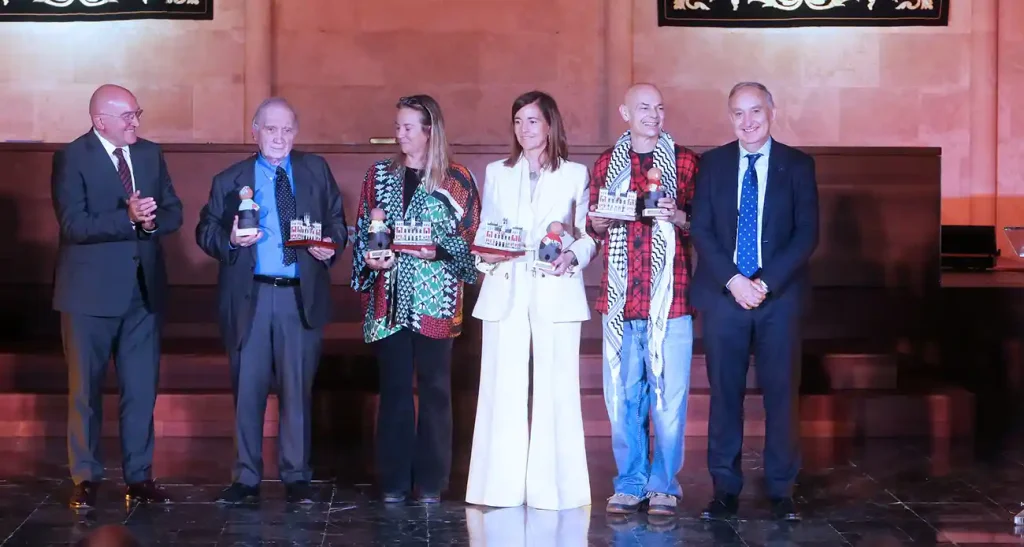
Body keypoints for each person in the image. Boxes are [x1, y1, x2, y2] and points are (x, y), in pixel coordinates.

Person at [195, 97, 348, 504]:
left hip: (300, 296)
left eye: (287, 130)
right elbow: (204, 230)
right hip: (252, 297)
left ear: (295, 133)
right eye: (270, 129)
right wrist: (228, 238)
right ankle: (246, 476)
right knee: (248, 389)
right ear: (254, 130)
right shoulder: (230, 179)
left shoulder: (316, 171)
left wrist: (330, 246)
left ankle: (296, 475)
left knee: (298, 389)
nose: (279, 138)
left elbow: (337, 221)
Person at [690, 82, 819, 522]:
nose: (747, 122)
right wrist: (734, 280)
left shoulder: (798, 165)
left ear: (772, 112)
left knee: (781, 395)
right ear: (730, 117)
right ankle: (724, 488)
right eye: (738, 113)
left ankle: (782, 490)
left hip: (777, 299)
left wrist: (763, 283)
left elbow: (807, 234)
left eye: (755, 112)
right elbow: (701, 229)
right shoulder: (713, 163)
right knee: (725, 395)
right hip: (725, 297)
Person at [51, 84, 182, 509]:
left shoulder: (150, 154)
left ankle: (139, 477)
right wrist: (126, 219)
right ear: (99, 120)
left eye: (137, 113)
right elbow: (74, 225)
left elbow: (174, 210)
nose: (136, 123)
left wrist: (151, 220)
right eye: (128, 116)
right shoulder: (72, 158)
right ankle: (85, 478)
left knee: (141, 389)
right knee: (85, 392)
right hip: (88, 297)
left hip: (143, 295)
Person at [465, 91, 595, 511]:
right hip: (506, 287)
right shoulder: (497, 172)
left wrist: (574, 255)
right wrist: (484, 253)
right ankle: (497, 488)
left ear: (550, 124)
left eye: (533, 121)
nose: (524, 129)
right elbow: (486, 231)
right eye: (518, 121)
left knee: (557, 388)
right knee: (501, 387)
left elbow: (587, 233)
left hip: (555, 288)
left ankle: (557, 491)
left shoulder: (576, 174)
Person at [351, 94, 481, 504]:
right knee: (393, 390)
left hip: (435, 300)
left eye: (408, 126)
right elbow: (361, 230)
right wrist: (370, 258)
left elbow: (472, 243)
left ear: (430, 131)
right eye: (398, 126)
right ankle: (392, 480)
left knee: (436, 390)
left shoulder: (457, 180)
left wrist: (438, 251)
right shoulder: (378, 176)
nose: (399, 133)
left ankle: (431, 483)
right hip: (387, 300)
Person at [586, 83, 698, 518]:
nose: (653, 114)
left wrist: (678, 215)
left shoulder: (686, 161)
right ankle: (630, 482)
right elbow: (593, 227)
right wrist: (596, 223)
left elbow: (702, 224)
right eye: (644, 107)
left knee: (668, 400)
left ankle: (664, 485)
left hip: (670, 300)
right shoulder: (604, 164)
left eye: (659, 107)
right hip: (619, 302)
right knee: (623, 399)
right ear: (625, 112)